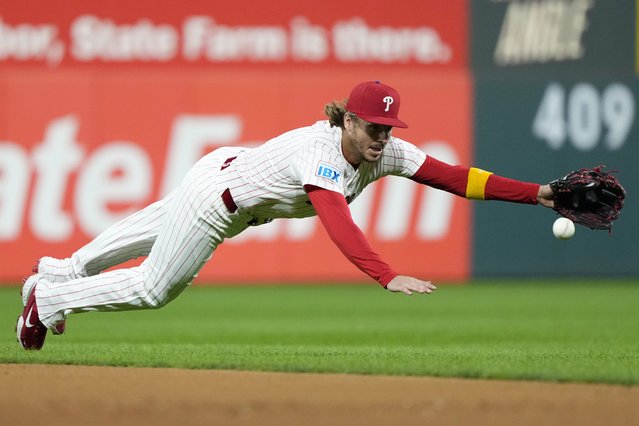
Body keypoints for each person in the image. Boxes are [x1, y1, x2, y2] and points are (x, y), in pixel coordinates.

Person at [16, 81, 556, 350]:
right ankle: (51, 297)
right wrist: (385, 275)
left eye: (388, 129)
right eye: (371, 127)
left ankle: (55, 273)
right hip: (219, 200)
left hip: (226, 171)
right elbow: (336, 219)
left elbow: (457, 178)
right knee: (155, 287)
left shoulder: (384, 152)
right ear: (346, 120)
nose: (381, 138)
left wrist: (540, 193)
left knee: (137, 242)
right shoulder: (321, 154)